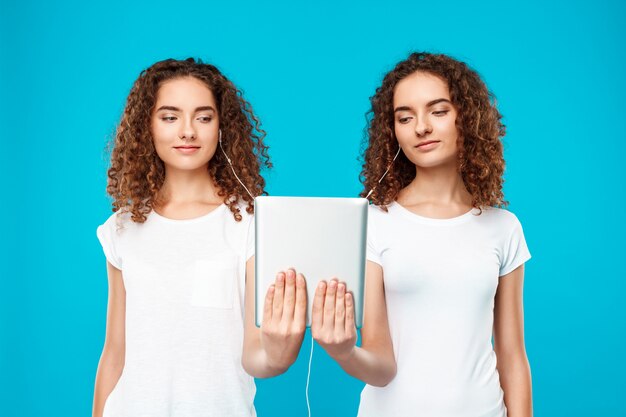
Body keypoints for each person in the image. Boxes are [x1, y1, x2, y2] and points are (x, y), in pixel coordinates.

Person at [311, 52, 532, 417]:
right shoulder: (372, 222)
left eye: (438, 111)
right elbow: (381, 364)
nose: (421, 127)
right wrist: (343, 351)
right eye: (405, 117)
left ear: (468, 117)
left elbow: (513, 356)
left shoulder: (503, 227)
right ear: (392, 130)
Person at [93, 58, 306, 417]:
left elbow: (257, 355)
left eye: (204, 117)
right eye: (170, 117)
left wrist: (281, 349)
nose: (187, 131)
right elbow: (115, 350)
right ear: (148, 126)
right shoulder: (121, 228)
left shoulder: (252, 223)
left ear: (222, 128)